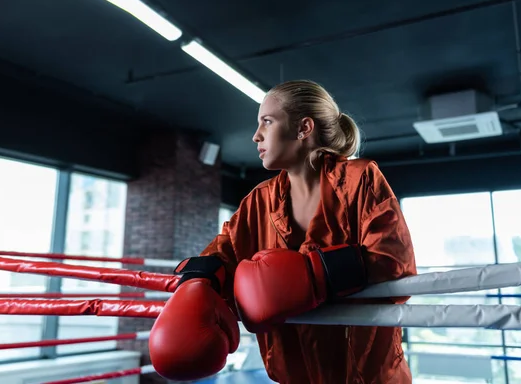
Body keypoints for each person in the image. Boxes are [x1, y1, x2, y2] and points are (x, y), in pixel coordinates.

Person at [150, 79, 417, 383]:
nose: (256, 136)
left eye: (267, 121)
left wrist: (311, 275)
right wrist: (198, 283)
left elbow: (393, 262)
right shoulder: (259, 201)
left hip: (369, 377)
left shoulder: (359, 179)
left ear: (304, 128)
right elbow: (219, 255)